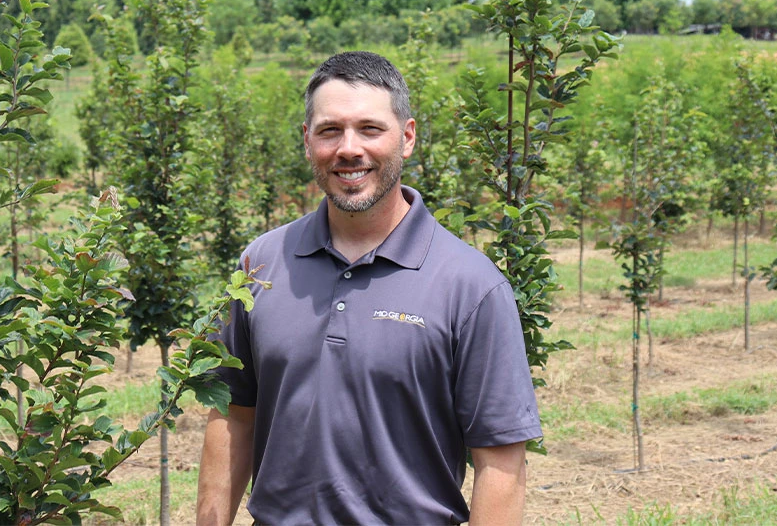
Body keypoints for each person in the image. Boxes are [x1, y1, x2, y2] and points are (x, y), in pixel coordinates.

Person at [196, 51, 542, 525]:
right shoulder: (259, 264)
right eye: (330, 130)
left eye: (370, 129)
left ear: (408, 137)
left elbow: (500, 460)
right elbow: (233, 414)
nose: (349, 148)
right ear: (306, 141)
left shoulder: (470, 285)